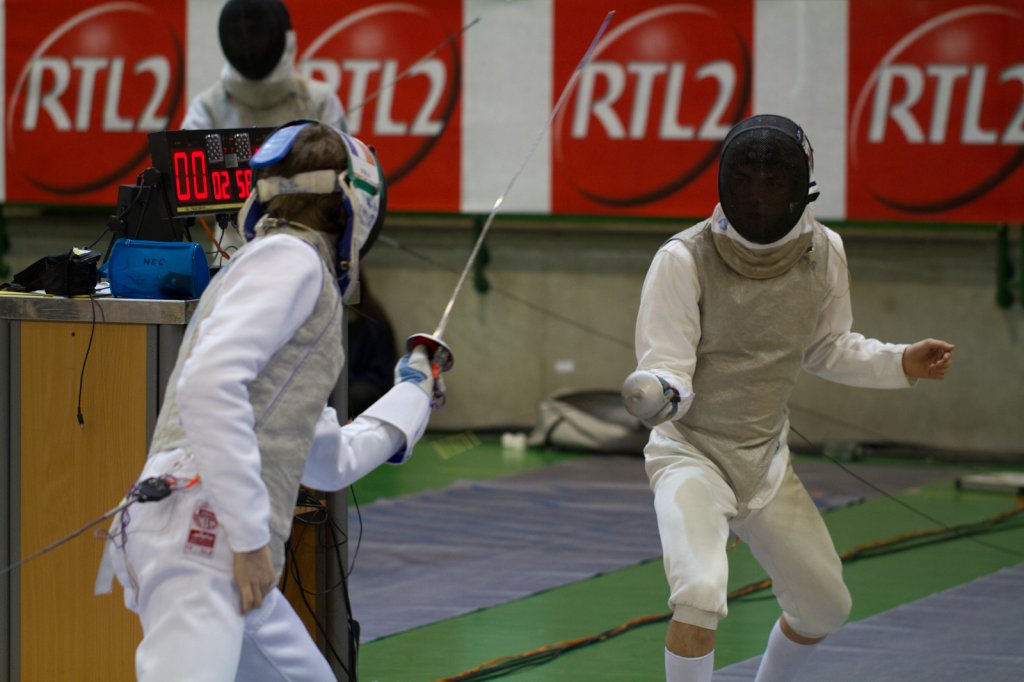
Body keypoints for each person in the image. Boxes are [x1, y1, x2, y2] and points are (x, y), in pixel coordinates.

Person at [96, 121, 450, 681]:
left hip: (214, 539)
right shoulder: (289, 258)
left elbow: (329, 460)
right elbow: (209, 384)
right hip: (208, 536)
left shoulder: (277, 270)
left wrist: (412, 393)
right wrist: (247, 537)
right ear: (355, 206)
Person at [621, 113, 954, 682]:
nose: (758, 195)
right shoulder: (683, 258)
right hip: (691, 453)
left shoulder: (823, 252)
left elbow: (827, 346)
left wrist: (899, 360)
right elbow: (668, 364)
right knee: (699, 591)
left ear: (801, 186)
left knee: (825, 607)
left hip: (766, 460)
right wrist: (663, 392)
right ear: (725, 182)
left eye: (773, 182)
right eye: (746, 180)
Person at [181, 0, 345, 131]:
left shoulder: (320, 100)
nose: (246, 41)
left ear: (280, 35)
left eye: (255, 31)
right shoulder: (207, 108)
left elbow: (344, 162)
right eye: (237, 33)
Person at [346, 271, 399, 419]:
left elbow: (382, 374)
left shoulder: (373, 321)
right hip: (339, 387)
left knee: (359, 394)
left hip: (366, 391)